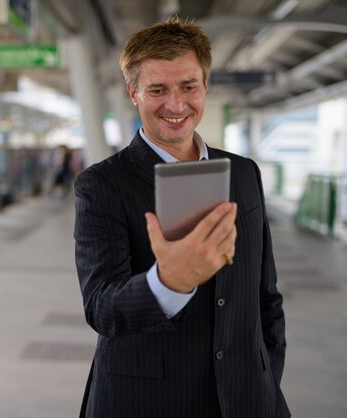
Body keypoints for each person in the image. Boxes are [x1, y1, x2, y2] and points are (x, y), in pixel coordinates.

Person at [73, 17, 289, 418]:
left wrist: (265, 376)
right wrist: (167, 283)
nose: (176, 105)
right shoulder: (102, 184)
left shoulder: (244, 174)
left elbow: (265, 295)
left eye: (188, 86)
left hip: (247, 399)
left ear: (205, 86)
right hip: (146, 402)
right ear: (133, 93)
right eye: (157, 89)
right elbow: (101, 308)